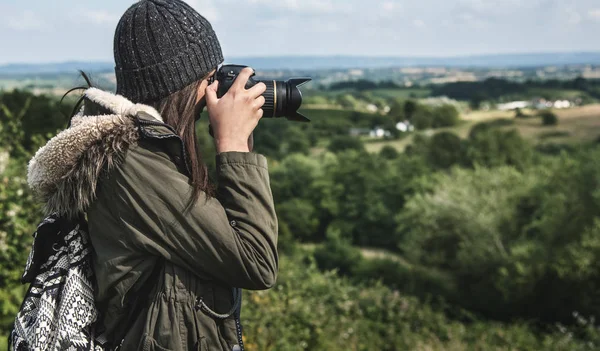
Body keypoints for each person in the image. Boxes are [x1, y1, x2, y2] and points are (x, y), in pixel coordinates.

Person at [27, 0, 278, 350]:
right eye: (209, 78)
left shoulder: (153, 155)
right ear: (181, 84)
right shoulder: (131, 164)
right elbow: (256, 260)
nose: (214, 92)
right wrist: (233, 142)